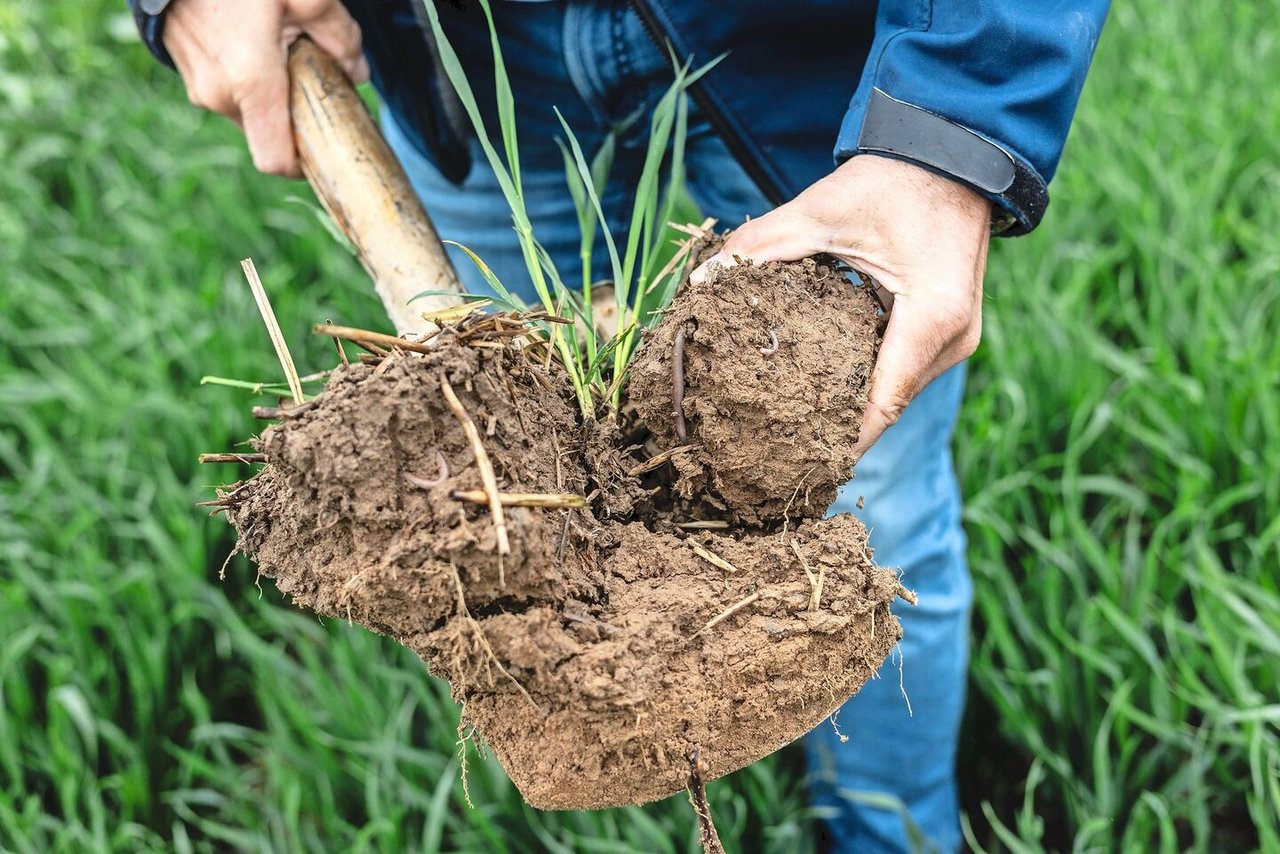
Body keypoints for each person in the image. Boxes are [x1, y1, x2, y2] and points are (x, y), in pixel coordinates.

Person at [129, 1, 1108, 849]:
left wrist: (947, 125)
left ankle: (892, 831)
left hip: (818, 49)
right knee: (514, 487)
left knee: (874, 503)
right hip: (469, 51)